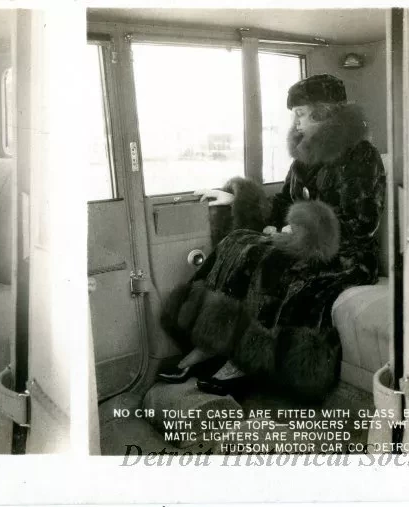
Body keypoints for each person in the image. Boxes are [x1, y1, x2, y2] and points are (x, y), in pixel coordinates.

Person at [158, 74, 386, 402]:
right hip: (304, 242)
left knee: (274, 263)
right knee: (237, 244)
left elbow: (362, 224)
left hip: (349, 255)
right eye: (295, 114)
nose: (296, 121)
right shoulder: (304, 158)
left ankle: (245, 359)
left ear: (326, 114)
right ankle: (209, 342)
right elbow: (283, 203)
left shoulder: (362, 156)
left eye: (302, 113)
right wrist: (238, 200)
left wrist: (304, 230)